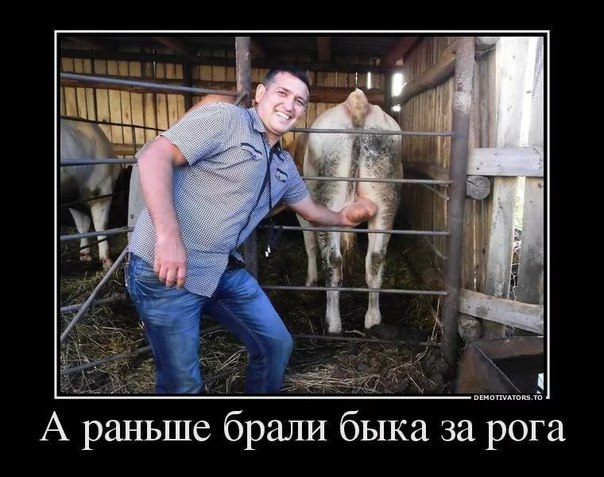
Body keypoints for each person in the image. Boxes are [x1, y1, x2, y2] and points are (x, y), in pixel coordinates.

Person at [126, 68, 377, 394]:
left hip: (220, 268)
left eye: (299, 101)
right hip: (166, 270)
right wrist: (168, 237)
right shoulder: (225, 120)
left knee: (276, 344)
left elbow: (312, 211)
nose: (290, 105)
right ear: (260, 94)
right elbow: (153, 155)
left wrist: (344, 217)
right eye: (282, 93)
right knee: (183, 384)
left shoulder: (283, 166)